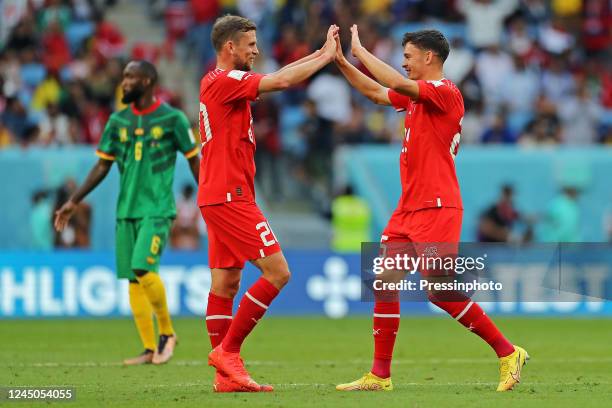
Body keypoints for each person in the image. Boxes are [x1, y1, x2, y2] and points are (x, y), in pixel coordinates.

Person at [333, 27, 528, 392]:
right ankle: (379, 375)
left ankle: (507, 352)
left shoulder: (445, 92)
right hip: (409, 209)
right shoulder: (417, 99)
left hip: (438, 207)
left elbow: (392, 82)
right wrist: (342, 61)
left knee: (439, 290)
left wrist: (360, 49)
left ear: (429, 58)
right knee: (384, 284)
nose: (403, 62)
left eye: (408, 56)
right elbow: (376, 92)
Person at [199, 15, 338, 393]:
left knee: (226, 283)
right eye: (251, 45)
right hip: (230, 196)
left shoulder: (220, 83)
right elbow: (283, 81)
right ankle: (228, 354)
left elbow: (280, 74)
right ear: (231, 47)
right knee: (278, 272)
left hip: (217, 194)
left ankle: (224, 377)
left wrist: (317, 52)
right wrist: (325, 59)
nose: (257, 51)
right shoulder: (227, 81)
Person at [54, 60, 199, 366]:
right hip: (126, 211)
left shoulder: (173, 119)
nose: (124, 83)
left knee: (143, 268)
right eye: (123, 77)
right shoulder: (117, 121)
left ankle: (168, 334)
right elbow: (102, 166)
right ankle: (149, 348)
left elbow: (195, 161)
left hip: (157, 208)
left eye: (130, 77)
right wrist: (74, 200)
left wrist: (210, 200)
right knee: (133, 279)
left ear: (147, 81)